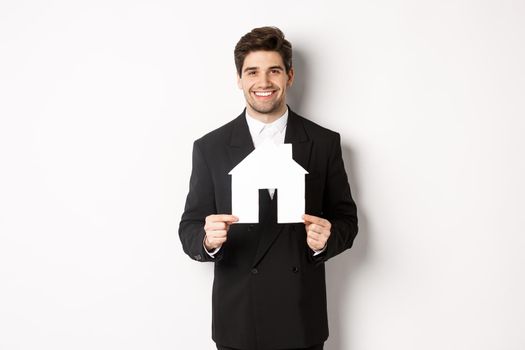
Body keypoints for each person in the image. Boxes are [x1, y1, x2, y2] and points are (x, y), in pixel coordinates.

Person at [179, 26, 358, 350]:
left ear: (289, 76)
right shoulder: (211, 147)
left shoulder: (323, 143)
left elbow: (347, 219)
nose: (263, 82)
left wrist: (325, 240)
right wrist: (207, 239)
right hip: (238, 321)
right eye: (252, 72)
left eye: (273, 70)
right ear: (239, 79)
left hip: (301, 319)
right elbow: (188, 226)